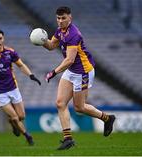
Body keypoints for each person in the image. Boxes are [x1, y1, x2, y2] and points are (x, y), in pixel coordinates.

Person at [39, 6, 116, 150]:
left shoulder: (74, 34)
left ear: (70, 18)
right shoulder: (60, 31)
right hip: (71, 71)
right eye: (58, 18)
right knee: (60, 103)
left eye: (63, 18)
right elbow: (50, 46)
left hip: (83, 72)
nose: (60, 21)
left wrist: (53, 72)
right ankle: (68, 139)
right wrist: (41, 40)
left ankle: (107, 118)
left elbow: (69, 60)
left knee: (79, 108)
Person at [0, 29, 41, 146]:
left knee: (21, 116)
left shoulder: (10, 52)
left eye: (0, 38)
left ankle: (13, 124)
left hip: (13, 88)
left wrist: (31, 75)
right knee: (14, 116)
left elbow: (21, 65)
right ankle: (28, 136)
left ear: (3, 39)